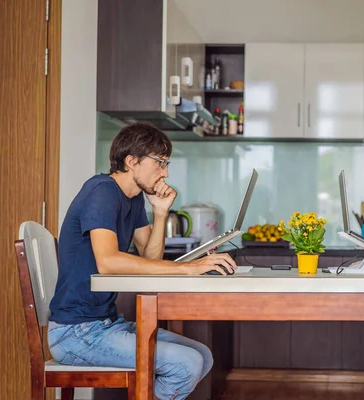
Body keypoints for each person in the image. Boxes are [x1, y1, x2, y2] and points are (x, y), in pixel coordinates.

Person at [47, 123, 237, 400]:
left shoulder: (132, 199)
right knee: (187, 363)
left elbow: (149, 259)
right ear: (131, 161)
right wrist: (186, 268)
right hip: (76, 333)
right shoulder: (102, 191)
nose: (166, 172)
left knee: (203, 356)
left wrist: (160, 213)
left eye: (167, 163)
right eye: (160, 162)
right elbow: (108, 262)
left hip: (105, 323)